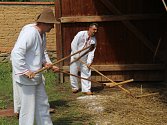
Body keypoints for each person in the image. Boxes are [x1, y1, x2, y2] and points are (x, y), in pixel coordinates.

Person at [11, 8, 59, 125]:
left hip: (36, 76)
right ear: (44, 23)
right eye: (51, 24)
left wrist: (46, 63)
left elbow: (40, 53)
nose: (52, 27)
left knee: (43, 104)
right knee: (28, 109)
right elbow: (16, 52)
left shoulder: (42, 34)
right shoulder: (30, 33)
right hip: (27, 77)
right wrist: (24, 70)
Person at [70, 23, 98, 95]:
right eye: (94, 29)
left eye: (96, 30)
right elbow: (73, 44)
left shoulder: (94, 40)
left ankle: (86, 89)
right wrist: (76, 55)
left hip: (84, 57)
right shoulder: (81, 34)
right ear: (90, 28)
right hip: (75, 55)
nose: (95, 31)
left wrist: (89, 62)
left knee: (86, 71)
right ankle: (74, 87)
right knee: (73, 71)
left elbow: (92, 52)